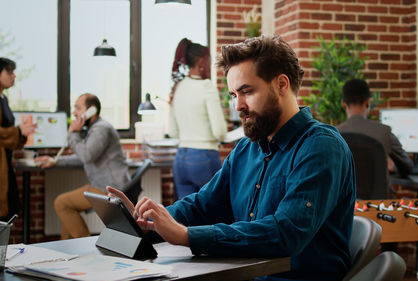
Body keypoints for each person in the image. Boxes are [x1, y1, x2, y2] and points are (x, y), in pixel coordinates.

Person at [109, 35, 356, 281]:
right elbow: (203, 205)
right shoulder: (246, 149)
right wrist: (147, 223)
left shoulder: (321, 146)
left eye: (246, 92)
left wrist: (187, 236)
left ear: (281, 84)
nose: (238, 105)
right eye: (233, 95)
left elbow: (286, 232)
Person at [35, 93, 130, 239]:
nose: (74, 112)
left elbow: (86, 155)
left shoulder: (101, 129)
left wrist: (74, 133)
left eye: (78, 108)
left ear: (91, 110)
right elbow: (84, 157)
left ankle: (82, 246)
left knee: (62, 203)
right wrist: (56, 160)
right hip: (102, 186)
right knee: (64, 204)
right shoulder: (94, 129)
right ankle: (66, 250)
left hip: (110, 189)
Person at [168, 38, 227, 199]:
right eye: (208, 60)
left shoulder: (178, 87)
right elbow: (220, 132)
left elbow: (172, 132)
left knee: (186, 217)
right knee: (212, 213)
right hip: (204, 158)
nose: (210, 64)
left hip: (180, 159)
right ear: (201, 61)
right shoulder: (206, 86)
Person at [337, 78, 414, 194]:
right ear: (368, 102)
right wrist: (391, 168)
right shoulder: (384, 132)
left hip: (345, 207)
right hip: (380, 207)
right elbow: (407, 167)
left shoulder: (334, 134)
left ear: (343, 103)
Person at [0, 57, 36, 220]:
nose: (13, 76)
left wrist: (22, 133)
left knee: (9, 212)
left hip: (5, 164)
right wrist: (18, 131)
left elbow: (8, 135)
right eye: (9, 71)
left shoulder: (4, 99)